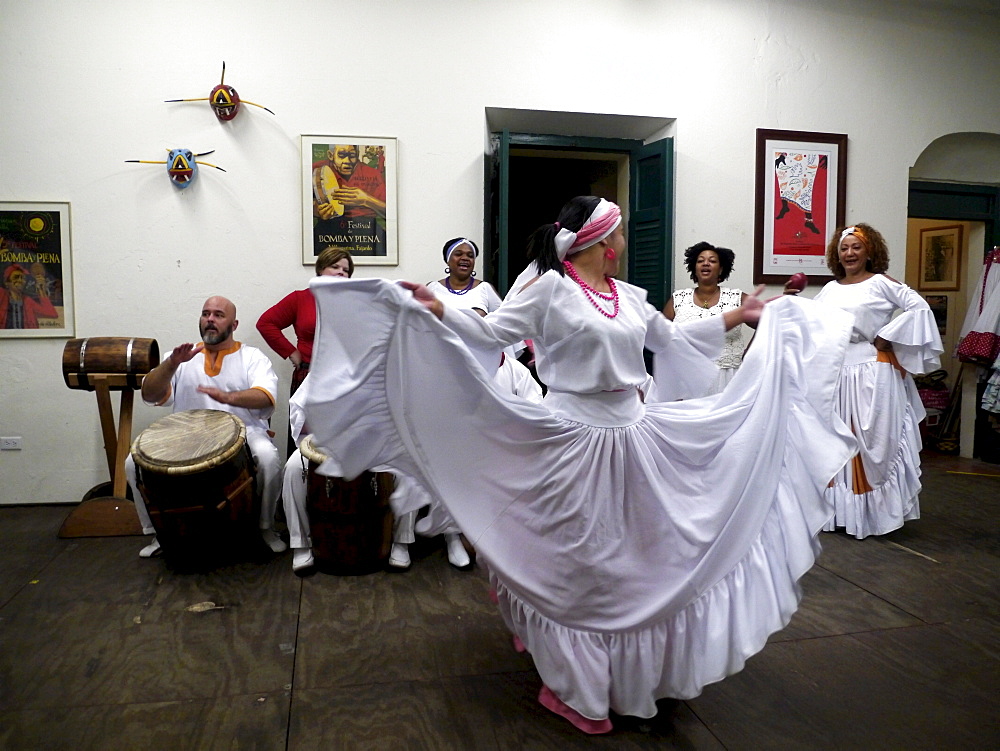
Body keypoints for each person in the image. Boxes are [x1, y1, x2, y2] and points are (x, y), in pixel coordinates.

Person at [304, 196, 856, 733]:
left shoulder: (629, 295)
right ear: (601, 238)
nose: (624, 238)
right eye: (619, 229)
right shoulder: (551, 289)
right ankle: (574, 681)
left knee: (632, 556)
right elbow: (494, 332)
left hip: (633, 435)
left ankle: (613, 672)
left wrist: (743, 312)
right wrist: (437, 305)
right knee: (579, 558)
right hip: (570, 436)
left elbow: (672, 338)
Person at [809, 224, 943, 538]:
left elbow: (919, 307)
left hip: (872, 371)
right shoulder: (830, 289)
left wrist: (888, 335)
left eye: (856, 247)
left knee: (874, 443)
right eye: (844, 248)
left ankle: (876, 515)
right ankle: (842, 514)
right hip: (837, 373)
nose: (850, 253)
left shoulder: (880, 283)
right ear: (837, 254)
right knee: (839, 442)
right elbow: (812, 324)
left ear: (870, 252)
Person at [125, 296, 286, 558]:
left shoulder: (252, 357)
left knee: (268, 459)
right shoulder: (178, 358)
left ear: (233, 324)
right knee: (132, 463)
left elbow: (266, 397)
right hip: (185, 433)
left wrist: (230, 398)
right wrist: (171, 365)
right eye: (205, 313)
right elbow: (150, 395)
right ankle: (158, 533)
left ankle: (266, 528)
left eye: (218, 315)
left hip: (244, 431)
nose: (210, 319)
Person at [256, 247, 354, 453]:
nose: (340, 272)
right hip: (306, 378)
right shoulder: (300, 299)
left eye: (345, 270)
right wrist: (291, 351)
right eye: (334, 266)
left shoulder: (356, 302)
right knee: (303, 446)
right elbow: (266, 323)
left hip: (342, 381)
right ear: (320, 269)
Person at [663, 241, 755, 394]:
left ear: (721, 270)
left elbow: (766, 322)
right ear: (694, 268)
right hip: (687, 377)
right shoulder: (678, 298)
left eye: (712, 261)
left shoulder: (736, 298)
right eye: (700, 261)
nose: (706, 263)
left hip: (728, 376)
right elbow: (661, 334)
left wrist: (750, 352)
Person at [311, 144, 387, 257]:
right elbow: (300, 204)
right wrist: (316, 209)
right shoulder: (316, 169)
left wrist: (366, 200)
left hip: (366, 230)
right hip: (328, 228)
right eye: (341, 155)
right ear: (330, 155)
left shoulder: (371, 174)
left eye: (352, 156)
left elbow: (390, 213)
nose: (347, 161)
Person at [426, 238, 502, 316]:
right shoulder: (432, 288)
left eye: (470, 256)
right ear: (447, 260)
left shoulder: (485, 288)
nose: (465, 258)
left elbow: (501, 320)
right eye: (458, 254)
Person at [0, 263, 59, 329]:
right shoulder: (2, 295)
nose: (20, 280)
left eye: (23, 278)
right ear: (6, 282)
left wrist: (41, 289)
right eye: (16, 277)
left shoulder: (27, 300)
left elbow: (52, 313)